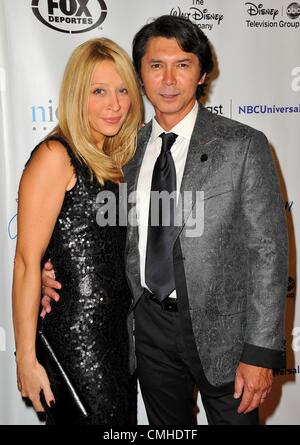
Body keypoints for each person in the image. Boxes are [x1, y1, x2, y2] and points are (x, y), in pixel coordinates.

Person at [41, 15, 288, 425]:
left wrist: (260, 353)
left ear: (202, 71)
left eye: (183, 64)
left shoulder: (243, 145)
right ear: (140, 75)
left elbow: (267, 252)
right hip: (148, 328)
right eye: (156, 65)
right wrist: (51, 271)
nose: (169, 79)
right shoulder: (123, 149)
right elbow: (95, 228)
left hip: (225, 334)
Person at [12, 37, 143, 425]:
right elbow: (25, 262)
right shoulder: (56, 156)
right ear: (76, 94)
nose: (114, 104)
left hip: (120, 342)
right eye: (99, 91)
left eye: (122, 91)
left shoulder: (118, 165)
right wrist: (26, 358)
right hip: (75, 340)